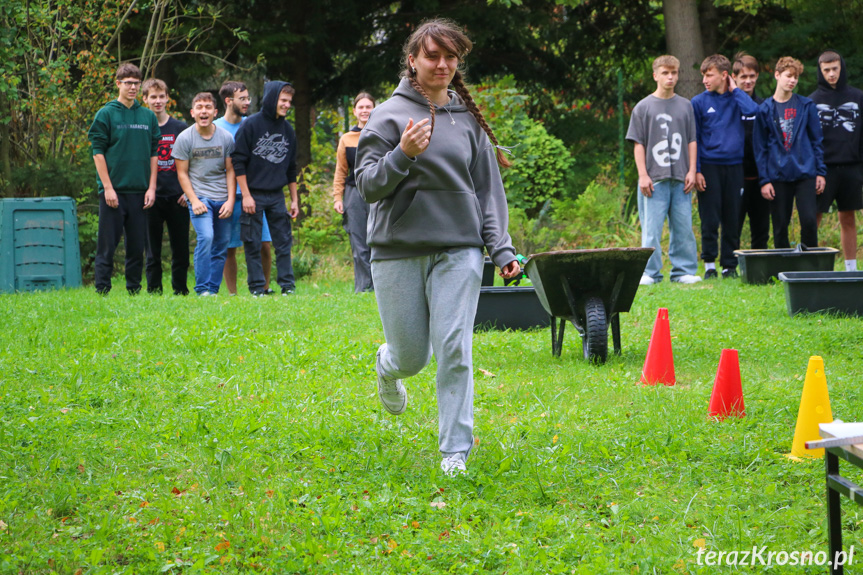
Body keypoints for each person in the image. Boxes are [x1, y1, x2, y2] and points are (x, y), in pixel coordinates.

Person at [355, 19, 520, 476]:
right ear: (413, 60)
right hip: (397, 250)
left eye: (451, 57)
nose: (443, 64)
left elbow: (488, 192)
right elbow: (366, 186)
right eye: (433, 56)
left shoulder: (466, 120)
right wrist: (402, 154)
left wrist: (501, 250)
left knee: (453, 346)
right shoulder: (388, 116)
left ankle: (454, 452)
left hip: (460, 249)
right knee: (413, 357)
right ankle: (387, 366)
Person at [626, 55, 701, 286]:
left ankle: (683, 271)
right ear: (655, 75)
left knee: (684, 228)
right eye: (665, 73)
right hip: (654, 180)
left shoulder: (685, 105)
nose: (670, 77)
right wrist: (643, 175)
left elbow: (691, 140)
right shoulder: (643, 107)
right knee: (651, 230)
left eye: (674, 73)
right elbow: (638, 143)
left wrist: (691, 170)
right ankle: (650, 273)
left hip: (681, 178)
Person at [87, 63, 160, 294]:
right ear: (118, 84)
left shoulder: (148, 116)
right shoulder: (106, 114)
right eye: (128, 83)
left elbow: (154, 154)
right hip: (113, 192)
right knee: (107, 246)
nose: (132, 87)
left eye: (136, 83)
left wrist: (152, 188)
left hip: (140, 192)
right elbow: (97, 153)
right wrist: (107, 188)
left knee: (137, 247)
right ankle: (102, 290)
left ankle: (134, 290)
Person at [692, 54, 759, 279]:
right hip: (709, 166)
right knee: (710, 218)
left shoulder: (736, 99)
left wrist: (735, 89)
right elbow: (696, 138)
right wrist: (697, 169)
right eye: (703, 76)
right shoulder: (698, 102)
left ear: (724, 76)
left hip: (735, 166)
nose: (705, 80)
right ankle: (709, 264)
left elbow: (753, 111)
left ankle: (729, 265)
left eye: (709, 75)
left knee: (732, 217)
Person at [231, 81, 300, 296]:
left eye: (289, 101)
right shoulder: (251, 125)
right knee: (252, 243)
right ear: (272, 99)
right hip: (253, 194)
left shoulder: (288, 130)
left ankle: (287, 286)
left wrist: (294, 199)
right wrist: (247, 196)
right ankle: (256, 288)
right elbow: (238, 162)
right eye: (283, 100)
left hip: (277, 196)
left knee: (283, 242)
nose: (287, 105)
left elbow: (291, 168)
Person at [754, 57, 826, 248]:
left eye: (796, 77)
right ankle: (783, 267)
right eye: (788, 76)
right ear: (777, 75)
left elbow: (817, 140)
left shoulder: (806, 106)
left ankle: (810, 267)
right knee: (780, 226)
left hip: (805, 173)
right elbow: (760, 148)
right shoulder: (764, 110)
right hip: (777, 175)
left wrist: (820, 172)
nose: (792, 80)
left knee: (810, 221)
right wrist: (764, 180)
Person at [214, 81, 275, 294]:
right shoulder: (216, 128)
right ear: (228, 101)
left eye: (248, 98)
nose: (247, 102)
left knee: (264, 244)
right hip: (227, 196)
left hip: (256, 195)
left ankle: (265, 289)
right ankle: (232, 294)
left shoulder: (254, 124)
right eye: (243, 98)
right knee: (229, 247)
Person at [172, 92, 236, 295]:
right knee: (206, 237)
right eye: (199, 107)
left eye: (208, 107)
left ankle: (213, 290)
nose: (204, 111)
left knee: (221, 245)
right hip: (200, 198)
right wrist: (193, 200)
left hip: (223, 199)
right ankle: (201, 290)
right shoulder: (184, 138)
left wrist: (231, 201)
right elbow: (182, 174)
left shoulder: (225, 137)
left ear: (215, 112)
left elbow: (231, 171)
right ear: (192, 112)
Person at [809, 50, 863, 271]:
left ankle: (851, 268)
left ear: (842, 68)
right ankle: (809, 266)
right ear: (821, 72)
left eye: (835, 69)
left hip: (851, 167)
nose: (832, 74)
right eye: (827, 70)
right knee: (813, 217)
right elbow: (809, 139)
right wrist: (814, 170)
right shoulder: (812, 101)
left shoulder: (858, 97)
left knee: (848, 217)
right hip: (823, 170)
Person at [141, 78, 190, 295]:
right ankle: (154, 291)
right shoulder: (142, 127)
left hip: (178, 197)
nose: (158, 101)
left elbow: (193, 163)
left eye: (162, 96)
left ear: (168, 98)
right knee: (152, 250)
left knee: (180, 249)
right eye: (153, 97)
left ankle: (180, 290)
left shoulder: (180, 128)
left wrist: (189, 193)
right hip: (151, 197)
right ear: (145, 100)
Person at [333, 92, 376, 293]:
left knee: (378, 239)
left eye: (369, 106)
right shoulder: (347, 139)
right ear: (354, 111)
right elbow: (341, 171)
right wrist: (337, 198)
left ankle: (380, 287)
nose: (365, 110)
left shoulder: (381, 134)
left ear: (374, 109)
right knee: (359, 242)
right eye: (361, 107)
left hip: (378, 192)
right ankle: (363, 287)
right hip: (353, 194)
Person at [732, 52, 771, 250]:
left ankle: (760, 269)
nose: (748, 81)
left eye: (752, 76)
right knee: (733, 227)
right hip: (735, 176)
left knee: (761, 228)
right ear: (734, 78)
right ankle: (730, 267)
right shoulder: (728, 106)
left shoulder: (764, 105)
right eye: (743, 77)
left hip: (760, 179)